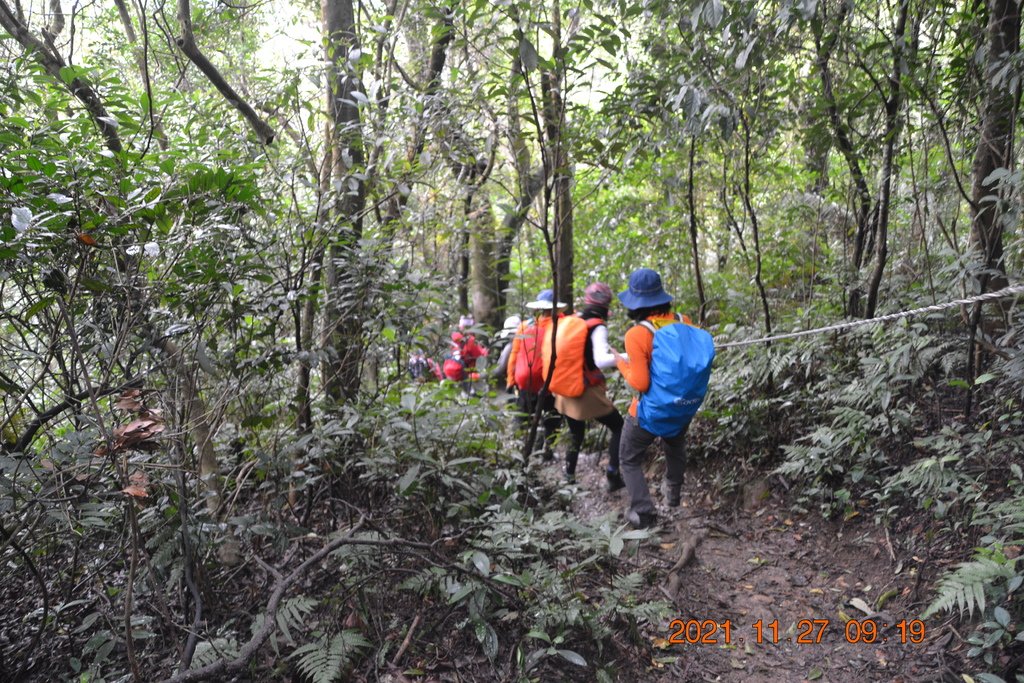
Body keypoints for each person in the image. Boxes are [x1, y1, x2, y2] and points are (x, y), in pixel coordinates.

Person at [614, 268, 705, 529]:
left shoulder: (637, 334)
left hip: (650, 412)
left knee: (629, 457)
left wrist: (621, 363)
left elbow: (640, 382)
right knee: (674, 444)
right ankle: (673, 496)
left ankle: (643, 513)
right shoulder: (684, 321)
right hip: (683, 406)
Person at [547, 283, 625, 490]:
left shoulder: (574, 321)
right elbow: (601, 360)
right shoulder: (597, 326)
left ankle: (569, 476)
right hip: (584, 390)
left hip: (565, 387)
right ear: (606, 303)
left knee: (576, 433)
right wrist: (629, 356)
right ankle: (613, 474)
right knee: (619, 426)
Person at [507, 289, 565, 461]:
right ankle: (545, 452)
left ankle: (521, 452)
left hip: (525, 380)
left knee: (524, 416)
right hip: (548, 382)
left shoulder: (524, 326)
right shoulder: (559, 327)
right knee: (551, 420)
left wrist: (511, 380)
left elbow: (514, 355)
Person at [490, 315, 523, 388]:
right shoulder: (525, 342)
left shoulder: (510, 346)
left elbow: (499, 370)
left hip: (515, 383)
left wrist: (484, 374)